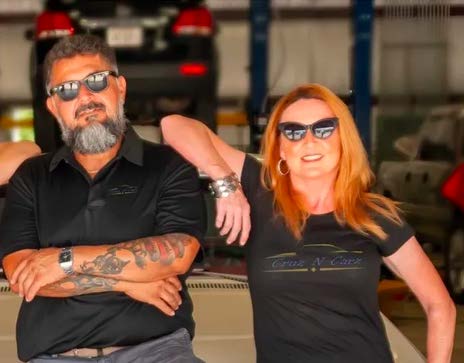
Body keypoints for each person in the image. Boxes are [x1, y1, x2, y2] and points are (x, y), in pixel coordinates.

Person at [160, 84, 456, 363]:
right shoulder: (261, 192)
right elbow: (174, 124)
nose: (309, 141)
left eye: (324, 129)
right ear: (280, 147)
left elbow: (439, 306)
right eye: (293, 131)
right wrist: (226, 183)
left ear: (344, 138)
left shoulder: (375, 215)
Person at [0, 34, 205, 363]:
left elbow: (177, 255)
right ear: (53, 106)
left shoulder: (168, 165)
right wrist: (128, 283)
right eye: (67, 89)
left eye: (96, 81)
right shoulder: (32, 176)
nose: (84, 97)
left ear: (120, 88)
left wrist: (64, 259)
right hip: (55, 356)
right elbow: (24, 277)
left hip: (156, 352)